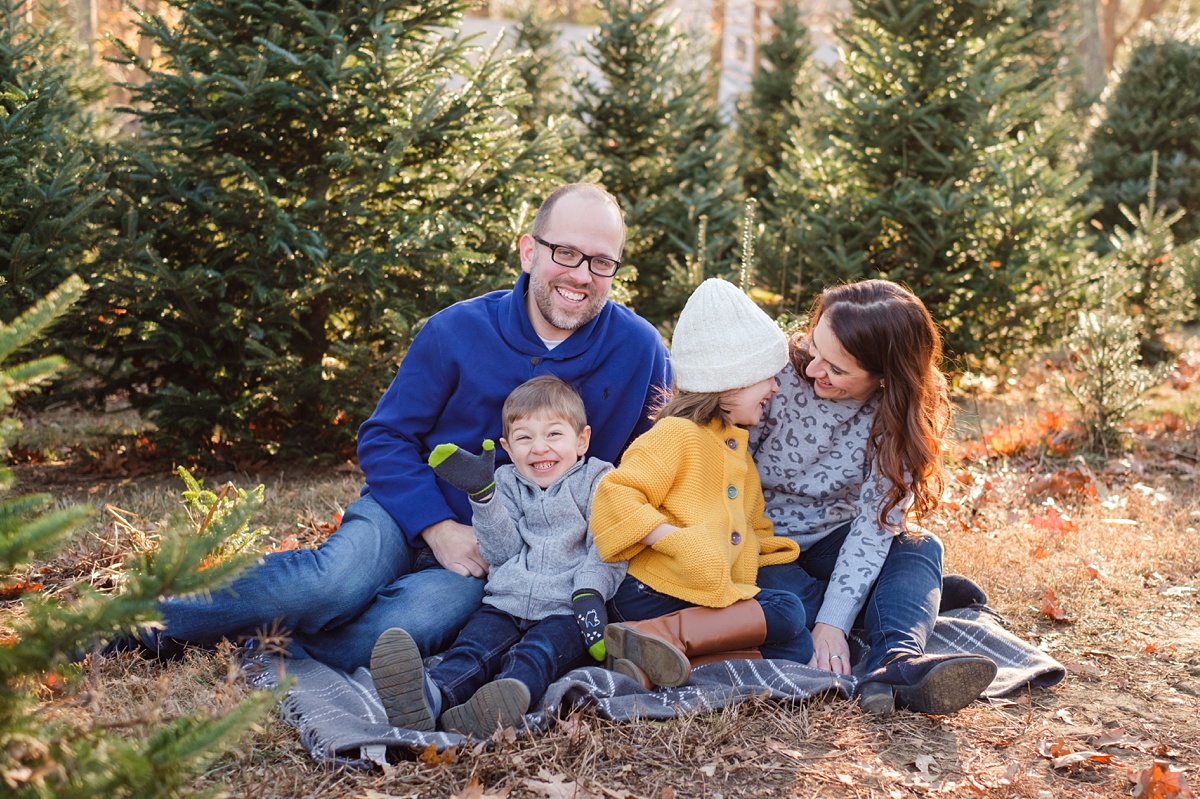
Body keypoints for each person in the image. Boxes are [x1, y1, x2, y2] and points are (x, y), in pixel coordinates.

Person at [108, 183, 670, 673]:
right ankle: (144, 619)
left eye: (601, 262)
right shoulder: (455, 330)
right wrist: (435, 527)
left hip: (499, 557)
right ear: (528, 251)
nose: (581, 275)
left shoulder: (639, 350)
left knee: (392, 631)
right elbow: (384, 437)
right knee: (330, 582)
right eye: (565, 253)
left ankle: (281, 633)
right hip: (406, 511)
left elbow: (658, 463)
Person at [750, 278, 996, 715]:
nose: (812, 369)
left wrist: (831, 624)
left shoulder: (898, 414)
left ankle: (895, 664)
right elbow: (722, 477)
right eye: (814, 347)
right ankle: (894, 602)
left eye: (836, 368)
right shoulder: (773, 375)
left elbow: (873, 526)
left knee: (919, 547)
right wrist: (831, 619)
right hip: (759, 545)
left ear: (885, 376)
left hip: (834, 539)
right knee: (782, 604)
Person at [368, 375, 624, 738]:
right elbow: (500, 551)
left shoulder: (599, 482)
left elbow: (610, 546)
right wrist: (484, 498)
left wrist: (589, 592)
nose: (539, 448)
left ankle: (497, 706)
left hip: (567, 610)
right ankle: (431, 698)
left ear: (581, 440)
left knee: (536, 654)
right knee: (471, 650)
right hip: (505, 601)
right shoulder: (506, 482)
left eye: (553, 435)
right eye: (524, 438)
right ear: (507, 446)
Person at [589, 278, 814, 688]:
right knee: (787, 611)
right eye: (767, 377)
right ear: (732, 379)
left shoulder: (735, 448)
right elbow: (613, 493)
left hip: (701, 592)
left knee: (798, 646)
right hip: (652, 589)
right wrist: (675, 540)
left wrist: (782, 563)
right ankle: (656, 635)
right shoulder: (676, 434)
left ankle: (649, 663)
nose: (775, 388)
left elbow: (753, 528)